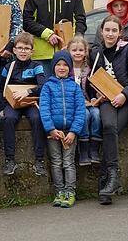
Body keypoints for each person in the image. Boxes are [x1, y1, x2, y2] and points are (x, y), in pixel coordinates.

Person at [88, 15, 128, 205]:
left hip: (125, 100)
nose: (110, 34)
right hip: (105, 100)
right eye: (107, 30)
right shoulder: (95, 52)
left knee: (111, 131)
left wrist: (124, 95)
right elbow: (91, 79)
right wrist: (97, 93)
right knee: (108, 127)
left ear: (120, 33)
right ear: (102, 32)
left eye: (114, 30)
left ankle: (105, 184)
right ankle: (112, 177)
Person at [39, 50, 85, 208]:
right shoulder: (47, 87)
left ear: (70, 68)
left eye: (65, 65)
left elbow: (80, 111)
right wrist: (51, 129)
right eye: (58, 64)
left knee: (68, 162)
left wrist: (73, 131)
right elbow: (44, 110)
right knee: (56, 162)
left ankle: (70, 192)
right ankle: (59, 192)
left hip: (70, 133)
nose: (62, 67)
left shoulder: (75, 87)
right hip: (53, 133)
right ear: (53, 67)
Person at [0, 33, 47, 177]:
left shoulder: (37, 66)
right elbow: (0, 88)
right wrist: (1, 108)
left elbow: (43, 85)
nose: (23, 51)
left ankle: (39, 160)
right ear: (14, 50)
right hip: (12, 104)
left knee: (37, 119)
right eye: (20, 48)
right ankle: (10, 160)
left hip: (31, 102)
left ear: (32, 51)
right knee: (9, 119)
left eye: (27, 48)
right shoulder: (8, 67)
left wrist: (28, 92)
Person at [68, 36, 101, 166]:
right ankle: (83, 149)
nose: (77, 53)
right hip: (74, 105)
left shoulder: (89, 69)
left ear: (86, 52)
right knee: (85, 115)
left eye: (81, 50)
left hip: (88, 101)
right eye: (74, 50)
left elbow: (92, 87)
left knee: (97, 114)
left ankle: (94, 149)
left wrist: (93, 97)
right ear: (69, 51)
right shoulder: (66, 68)